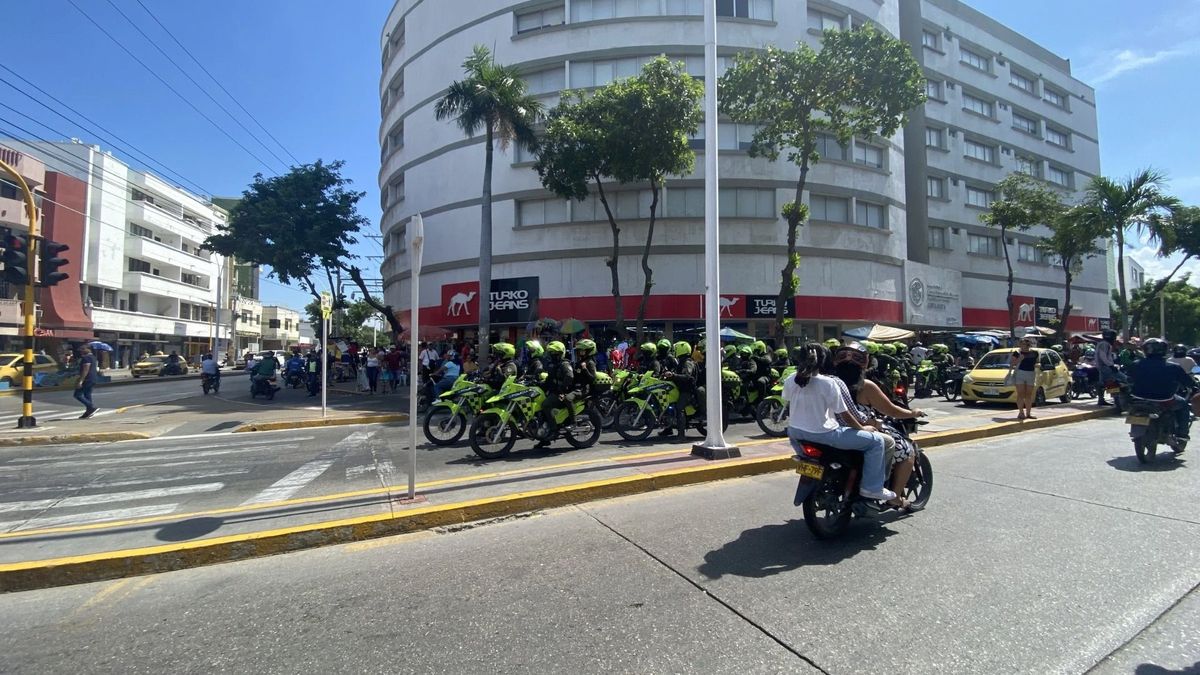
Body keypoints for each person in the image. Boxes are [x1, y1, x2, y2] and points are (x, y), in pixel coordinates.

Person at [783, 342, 894, 502]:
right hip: (825, 435)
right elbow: (846, 415)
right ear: (826, 360)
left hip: (795, 435)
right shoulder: (830, 383)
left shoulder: (790, 379)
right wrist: (862, 428)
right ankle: (872, 488)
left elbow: (788, 402)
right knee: (877, 442)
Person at [832, 343, 926, 509]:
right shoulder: (866, 386)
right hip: (861, 429)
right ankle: (894, 497)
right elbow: (891, 410)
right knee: (907, 450)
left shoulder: (829, 382)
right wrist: (913, 413)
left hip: (832, 431)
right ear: (864, 363)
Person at [1129, 338, 1196, 441]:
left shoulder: (1136, 364)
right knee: (1184, 405)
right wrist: (1195, 387)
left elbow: (1128, 378)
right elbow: (1189, 382)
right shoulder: (1174, 367)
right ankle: (1182, 434)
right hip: (1164, 399)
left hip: (1138, 398)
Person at [537, 341, 574, 448]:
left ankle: (553, 429)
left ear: (559, 354)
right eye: (550, 353)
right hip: (554, 391)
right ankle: (544, 437)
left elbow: (569, 377)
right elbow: (549, 379)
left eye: (554, 353)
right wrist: (539, 385)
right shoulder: (553, 365)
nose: (551, 356)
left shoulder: (564, 364)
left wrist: (561, 390)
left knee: (546, 405)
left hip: (562, 393)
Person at [660, 340, 698, 436]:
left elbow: (686, 376)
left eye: (676, 349)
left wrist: (673, 375)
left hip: (687, 391)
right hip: (679, 388)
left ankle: (681, 435)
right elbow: (674, 372)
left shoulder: (688, 363)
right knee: (668, 405)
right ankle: (668, 429)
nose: (674, 351)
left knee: (679, 407)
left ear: (681, 350)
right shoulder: (681, 362)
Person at [1008, 338, 1039, 420]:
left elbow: (1037, 362)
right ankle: (1021, 412)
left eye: (1025, 344)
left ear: (1029, 345)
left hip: (1031, 373)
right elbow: (1012, 364)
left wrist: (1038, 365)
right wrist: (1019, 359)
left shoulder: (1035, 353)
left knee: (1029, 394)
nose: (1023, 346)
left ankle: (1028, 413)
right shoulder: (1017, 353)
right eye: (1021, 344)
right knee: (1020, 394)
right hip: (1020, 373)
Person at [74, 344, 99, 419]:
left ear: (89, 349)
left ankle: (91, 407)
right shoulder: (93, 357)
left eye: (83, 349)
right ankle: (88, 412)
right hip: (92, 378)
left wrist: (81, 381)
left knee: (77, 395)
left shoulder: (86, 358)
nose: (81, 350)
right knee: (87, 395)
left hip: (87, 379)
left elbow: (86, 370)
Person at [1095, 329, 1118, 406]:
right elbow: (1103, 356)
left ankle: (1101, 399)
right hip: (1105, 366)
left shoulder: (1103, 343)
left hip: (1103, 366)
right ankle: (1116, 401)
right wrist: (1110, 365)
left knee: (1102, 384)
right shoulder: (1104, 344)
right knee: (1111, 383)